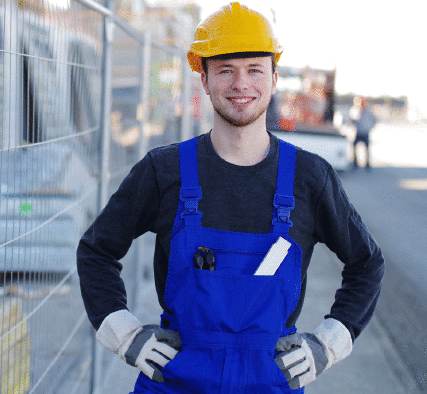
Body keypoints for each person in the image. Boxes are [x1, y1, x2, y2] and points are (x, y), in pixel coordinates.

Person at [76, 2, 384, 393]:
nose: (241, 85)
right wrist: (122, 333)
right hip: (175, 381)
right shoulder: (164, 171)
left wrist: (329, 343)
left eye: (254, 69)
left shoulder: (310, 178)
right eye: (225, 70)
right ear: (204, 79)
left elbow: (367, 262)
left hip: (270, 382)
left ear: (274, 78)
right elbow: (95, 250)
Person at [352, 96, 377, 169]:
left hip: (365, 132)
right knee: (354, 147)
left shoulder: (369, 112)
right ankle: (355, 163)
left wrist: (369, 127)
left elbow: (375, 120)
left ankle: (367, 164)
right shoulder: (355, 110)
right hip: (358, 132)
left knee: (366, 149)